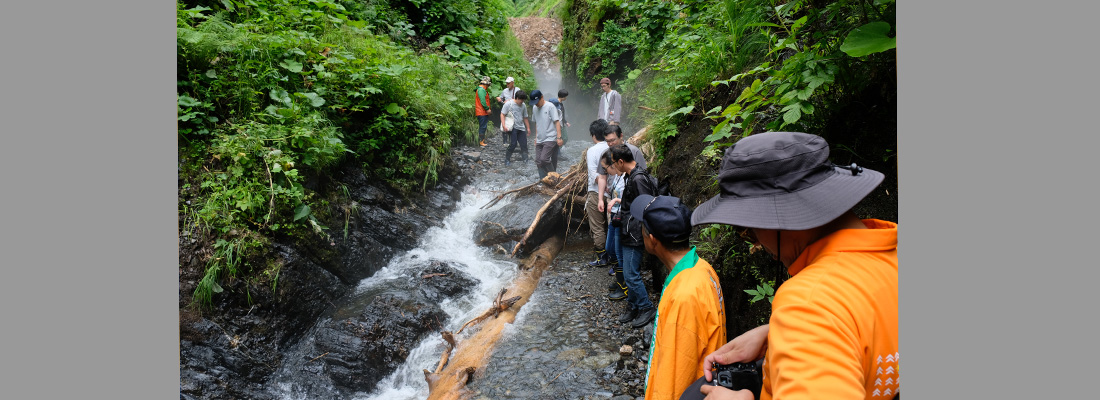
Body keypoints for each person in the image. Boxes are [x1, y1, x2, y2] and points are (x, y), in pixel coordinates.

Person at [685, 131, 898, 400]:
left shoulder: (809, 305)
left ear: (777, 219)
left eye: (748, 230)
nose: (760, 246)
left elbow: (822, 316)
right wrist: (775, 334)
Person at [627, 194, 727, 400]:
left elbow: (673, 378)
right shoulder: (701, 267)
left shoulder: (684, 296)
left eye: (642, 228)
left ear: (652, 240)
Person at [608, 143, 658, 329]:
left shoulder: (638, 179)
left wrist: (645, 233)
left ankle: (646, 307)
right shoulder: (631, 176)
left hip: (635, 233)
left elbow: (647, 207)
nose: (614, 167)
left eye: (614, 163)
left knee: (631, 274)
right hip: (628, 229)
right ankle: (634, 305)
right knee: (628, 271)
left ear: (621, 161)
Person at [584, 119, 612, 269]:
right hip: (614, 192)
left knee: (597, 226)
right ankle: (615, 259)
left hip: (596, 192)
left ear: (594, 135)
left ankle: (602, 257)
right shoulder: (613, 146)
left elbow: (593, 173)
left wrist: (603, 187)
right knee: (613, 225)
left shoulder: (592, 151)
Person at [598, 150, 627, 301]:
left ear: (613, 165)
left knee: (619, 252)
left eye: (606, 168)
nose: (605, 171)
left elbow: (630, 200)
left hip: (621, 218)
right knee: (610, 249)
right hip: (614, 217)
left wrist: (616, 201)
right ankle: (619, 279)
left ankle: (624, 286)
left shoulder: (626, 178)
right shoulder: (618, 176)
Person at [529, 90, 564, 179]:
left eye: (537, 102)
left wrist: (559, 137)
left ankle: (555, 178)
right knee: (538, 161)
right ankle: (543, 180)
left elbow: (557, 122)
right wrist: (536, 137)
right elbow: (536, 123)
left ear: (542, 97)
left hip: (550, 137)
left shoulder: (550, 106)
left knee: (544, 159)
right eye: (534, 103)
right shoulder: (534, 108)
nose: (536, 104)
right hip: (540, 138)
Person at [499, 89, 530, 166]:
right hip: (513, 127)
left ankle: (525, 159)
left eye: (523, 100)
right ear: (517, 98)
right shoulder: (508, 104)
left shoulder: (523, 105)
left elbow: (525, 117)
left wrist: (528, 128)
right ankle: (507, 159)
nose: (522, 101)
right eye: (521, 100)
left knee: (524, 144)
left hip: (521, 128)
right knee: (513, 144)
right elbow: (502, 114)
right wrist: (504, 125)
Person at [546, 90, 571, 163]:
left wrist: (566, 122)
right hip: (558, 125)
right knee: (563, 138)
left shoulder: (560, 104)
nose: (566, 98)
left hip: (562, 123)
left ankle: (557, 151)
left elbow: (561, 115)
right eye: (565, 96)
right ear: (563, 97)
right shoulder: (555, 104)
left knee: (565, 138)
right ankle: (557, 153)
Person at [497, 77, 522, 146]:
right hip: (506, 109)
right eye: (506, 83)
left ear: (513, 83)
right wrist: (499, 98)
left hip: (514, 110)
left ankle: (513, 141)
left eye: (509, 83)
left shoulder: (517, 90)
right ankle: (505, 141)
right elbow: (501, 97)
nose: (507, 84)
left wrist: (509, 101)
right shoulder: (505, 90)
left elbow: (519, 99)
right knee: (505, 123)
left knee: (514, 125)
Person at [474, 76, 493, 147]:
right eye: (488, 85)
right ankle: (481, 141)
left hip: (482, 112)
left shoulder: (481, 89)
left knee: (483, 126)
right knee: (483, 126)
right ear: (486, 84)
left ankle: (482, 140)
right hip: (482, 112)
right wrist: (487, 109)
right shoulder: (481, 90)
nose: (488, 86)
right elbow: (483, 101)